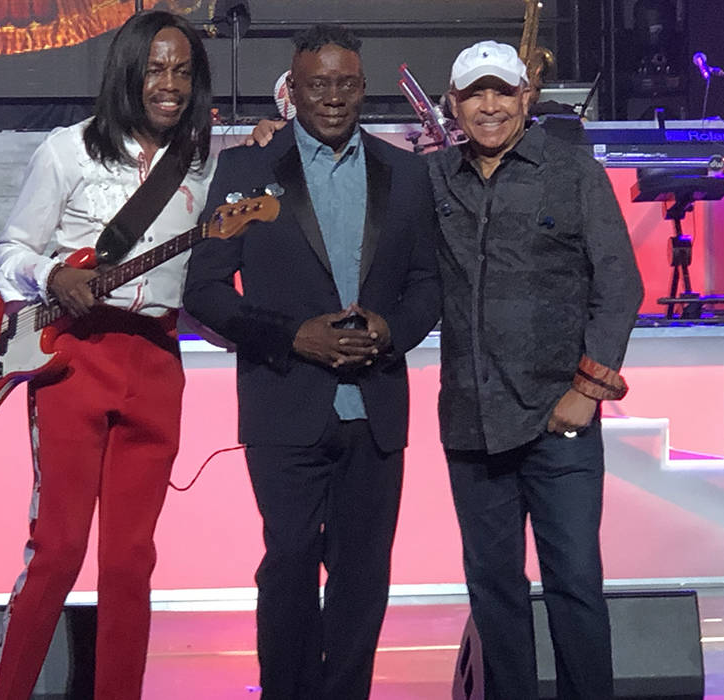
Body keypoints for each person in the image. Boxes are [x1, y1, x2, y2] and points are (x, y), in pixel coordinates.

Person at [183, 24, 441, 700]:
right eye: (317, 85)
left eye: (345, 84)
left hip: (375, 406)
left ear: (363, 87)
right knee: (291, 563)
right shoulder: (245, 172)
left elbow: (428, 285)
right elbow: (205, 289)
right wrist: (293, 336)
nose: (332, 97)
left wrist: (390, 331)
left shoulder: (407, 173)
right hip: (284, 399)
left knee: (362, 574)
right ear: (292, 91)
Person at [0, 11, 214, 699]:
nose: (168, 84)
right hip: (76, 360)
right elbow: (7, 254)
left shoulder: (205, 160)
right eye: (155, 68)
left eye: (182, 71)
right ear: (129, 72)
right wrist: (53, 275)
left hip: (158, 361)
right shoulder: (69, 150)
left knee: (129, 562)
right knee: (57, 552)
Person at [430, 41, 643, 699]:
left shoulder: (573, 171)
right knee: (494, 589)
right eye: (474, 94)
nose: (489, 106)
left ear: (527, 97)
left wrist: (590, 385)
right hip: (472, 421)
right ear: (454, 104)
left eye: (502, 92)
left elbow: (620, 282)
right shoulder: (433, 178)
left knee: (574, 581)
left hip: (560, 420)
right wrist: (277, 133)